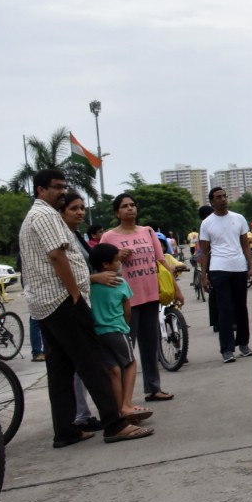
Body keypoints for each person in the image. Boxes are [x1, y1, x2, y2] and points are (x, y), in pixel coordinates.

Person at [17, 168, 152, 447]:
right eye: (56, 187)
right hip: (62, 301)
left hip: (47, 304)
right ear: (40, 190)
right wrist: (75, 293)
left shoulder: (38, 215)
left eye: (64, 187)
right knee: (92, 362)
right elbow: (56, 254)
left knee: (60, 370)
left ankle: (65, 431)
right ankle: (115, 424)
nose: (62, 192)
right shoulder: (45, 215)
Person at [100, 193, 180, 403]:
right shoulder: (109, 237)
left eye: (133, 205)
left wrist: (175, 287)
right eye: (125, 206)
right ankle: (122, 399)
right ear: (117, 212)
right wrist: (118, 257)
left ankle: (153, 388)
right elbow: (101, 265)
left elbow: (162, 261)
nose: (130, 209)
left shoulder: (147, 231)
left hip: (150, 296)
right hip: (125, 300)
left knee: (150, 344)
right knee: (126, 349)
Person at [60, 189, 128, 431]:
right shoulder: (61, 238)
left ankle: (85, 413)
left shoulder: (75, 235)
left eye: (81, 208)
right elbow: (67, 274)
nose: (79, 213)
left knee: (90, 365)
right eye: (73, 208)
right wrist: (95, 278)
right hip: (71, 305)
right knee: (82, 365)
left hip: (87, 305)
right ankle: (83, 415)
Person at [88, 243, 152, 425]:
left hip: (98, 333)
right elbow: (128, 311)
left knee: (114, 370)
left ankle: (118, 408)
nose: (119, 263)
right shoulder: (120, 282)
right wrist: (125, 326)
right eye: (116, 260)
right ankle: (127, 404)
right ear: (106, 264)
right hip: (117, 329)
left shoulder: (91, 285)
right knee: (130, 363)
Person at [199, 187, 252, 363]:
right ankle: (227, 349)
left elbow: (245, 245)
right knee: (225, 310)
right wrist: (203, 275)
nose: (223, 199)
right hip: (218, 269)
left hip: (239, 267)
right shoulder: (207, 223)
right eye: (218, 197)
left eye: (224, 196)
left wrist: (251, 266)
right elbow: (205, 252)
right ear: (212, 201)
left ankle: (243, 344)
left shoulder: (238, 219)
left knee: (241, 307)